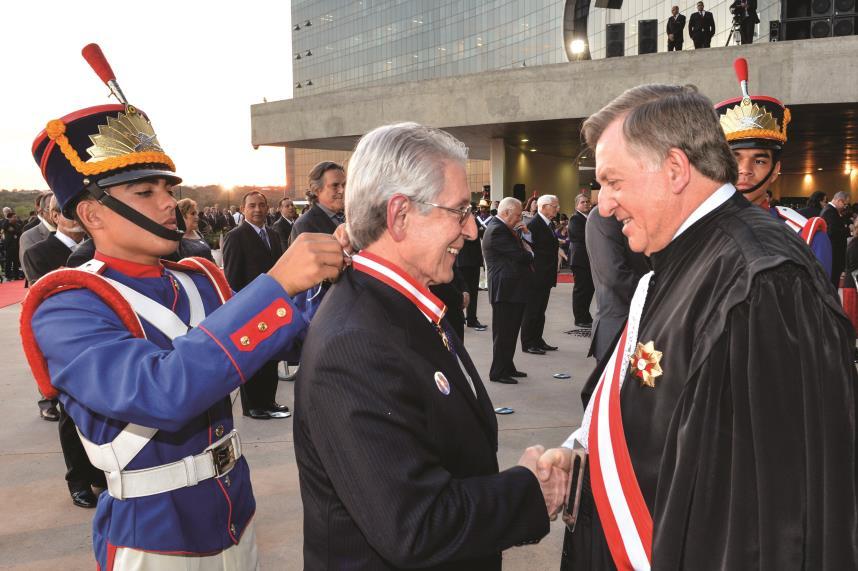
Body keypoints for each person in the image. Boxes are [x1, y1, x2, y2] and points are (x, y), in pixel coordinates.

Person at [22, 49, 346, 570]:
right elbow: (162, 391)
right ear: (90, 213)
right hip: (154, 536)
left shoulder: (196, 278)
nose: (169, 202)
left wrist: (335, 278)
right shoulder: (68, 305)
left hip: (235, 516)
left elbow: (287, 341)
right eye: (145, 191)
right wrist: (276, 282)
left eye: (168, 187)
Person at [535, 83, 858, 570]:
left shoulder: (765, 285)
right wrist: (584, 460)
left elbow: (778, 522)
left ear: (675, 169)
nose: (603, 205)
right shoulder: (687, 261)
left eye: (614, 182)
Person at [294, 122, 556, 570]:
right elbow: (416, 524)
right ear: (399, 216)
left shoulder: (406, 306)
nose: (472, 231)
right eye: (460, 212)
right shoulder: (354, 345)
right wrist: (530, 489)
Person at [714, 57, 832, 277]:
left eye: (759, 161)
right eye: (735, 158)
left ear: (776, 169)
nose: (745, 169)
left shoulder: (806, 235)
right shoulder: (694, 230)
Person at [222, 191, 291, 420]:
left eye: (261, 205)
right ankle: (252, 405)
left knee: (270, 357)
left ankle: (268, 401)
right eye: (252, 206)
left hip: (271, 307)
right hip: (248, 310)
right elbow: (232, 278)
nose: (258, 210)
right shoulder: (236, 236)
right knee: (252, 360)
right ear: (243, 209)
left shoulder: (272, 235)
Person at [585, 192, 650, 363]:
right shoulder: (603, 216)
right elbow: (615, 275)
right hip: (619, 325)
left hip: (648, 324)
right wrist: (661, 295)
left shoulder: (642, 213)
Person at [483, 197, 535, 383]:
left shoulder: (506, 229)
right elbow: (521, 256)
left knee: (511, 331)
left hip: (512, 289)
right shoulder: (497, 230)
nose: (520, 219)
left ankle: (507, 365)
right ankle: (498, 372)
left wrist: (526, 237)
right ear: (505, 212)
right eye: (518, 215)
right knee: (504, 333)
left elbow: (522, 252)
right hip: (505, 290)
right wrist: (529, 253)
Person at [521, 194, 560, 354]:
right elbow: (529, 248)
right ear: (543, 207)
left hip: (546, 274)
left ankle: (538, 339)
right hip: (536, 275)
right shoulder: (534, 224)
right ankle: (528, 342)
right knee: (532, 310)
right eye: (554, 205)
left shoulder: (549, 224)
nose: (557, 209)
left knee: (540, 310)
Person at [289, 161, 345, 244]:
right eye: (335, 185)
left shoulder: (351, 219)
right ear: (316, 190)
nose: (342, 190)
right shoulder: (304, 225)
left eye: (344, 185)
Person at [457, 209, 487, 330]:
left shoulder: (472, 219)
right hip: (465, 261)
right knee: (465, 292)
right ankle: (466, 319)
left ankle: (471, 319)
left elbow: (482, 232)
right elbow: (474, 235)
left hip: (470, 261)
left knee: (472, 292)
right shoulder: (461, 221)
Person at [569, 193, 594, 328]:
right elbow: (581, 236)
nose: (586, 204)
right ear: (577, 205)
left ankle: (585, 315)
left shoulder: (588, 217)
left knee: (589, 289)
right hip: (580, 259)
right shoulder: (575, 219)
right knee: (582, 289)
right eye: (582, 202)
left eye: (587, 202)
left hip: (587, 260)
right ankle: (580, 318)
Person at [822, 191, 851, 289]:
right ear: (839, 201)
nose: (845, 207)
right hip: (833, 253)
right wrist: (848, 229)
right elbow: (833, 233)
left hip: (833, 252)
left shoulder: (829, 210)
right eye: (845, 204)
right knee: (832, 283)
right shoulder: (830, 211)